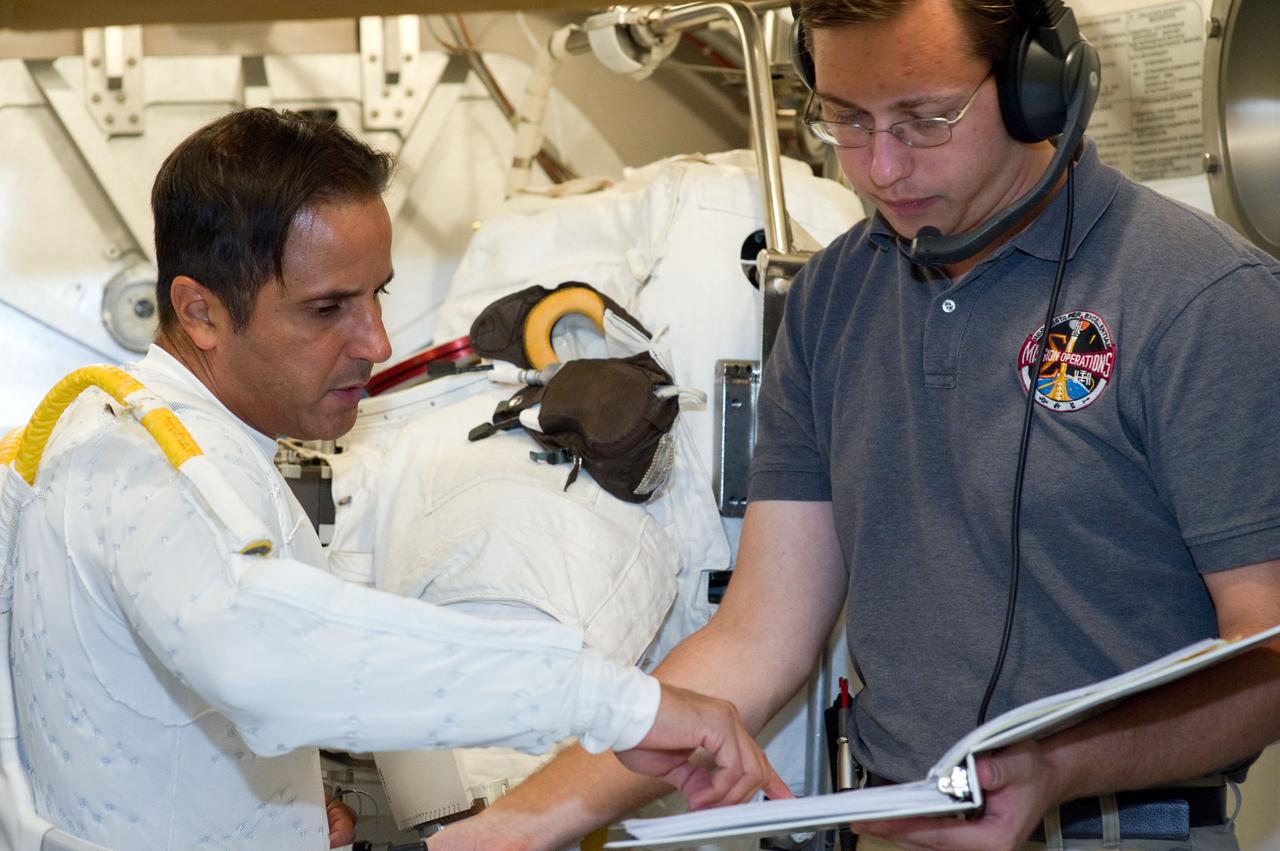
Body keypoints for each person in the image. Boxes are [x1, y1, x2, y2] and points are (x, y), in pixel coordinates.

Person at [429, 0, 1280, 849]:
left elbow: (1270, 657)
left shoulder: (1202, 300)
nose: (881, 169)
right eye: (846, 119)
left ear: (1037, 88)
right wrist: (513, 826)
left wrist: (1061, 763)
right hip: (896, 825)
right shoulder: (836, 296)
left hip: (1123, 829)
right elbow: (761, 636)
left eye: (925, 119)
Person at [7, 107, 785, 850]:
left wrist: (280, 812)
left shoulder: (130, 438)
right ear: (200, 311)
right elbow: (262, 656)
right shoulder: (150, 463)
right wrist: (621, 704)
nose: (375, 341)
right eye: (326, 309)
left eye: (376, 294)